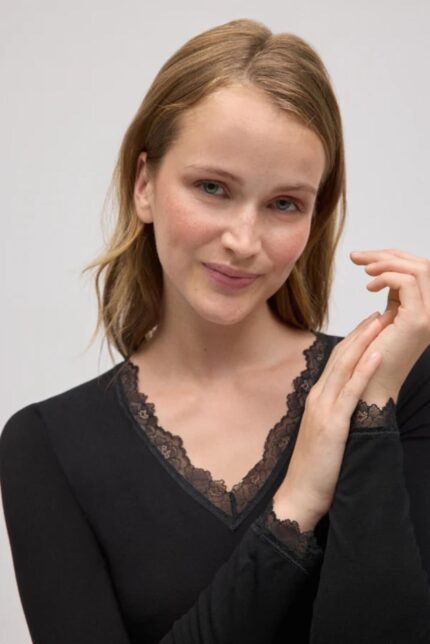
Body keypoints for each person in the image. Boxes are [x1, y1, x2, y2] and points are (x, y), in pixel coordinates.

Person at [1, 17, 430, 644]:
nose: (244, 240)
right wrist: (294, 507)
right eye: (212, 188)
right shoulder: (46, 447)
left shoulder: (402, 386)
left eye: (284, 203)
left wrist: (371, 416)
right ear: (144, 186)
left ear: (314, 216)